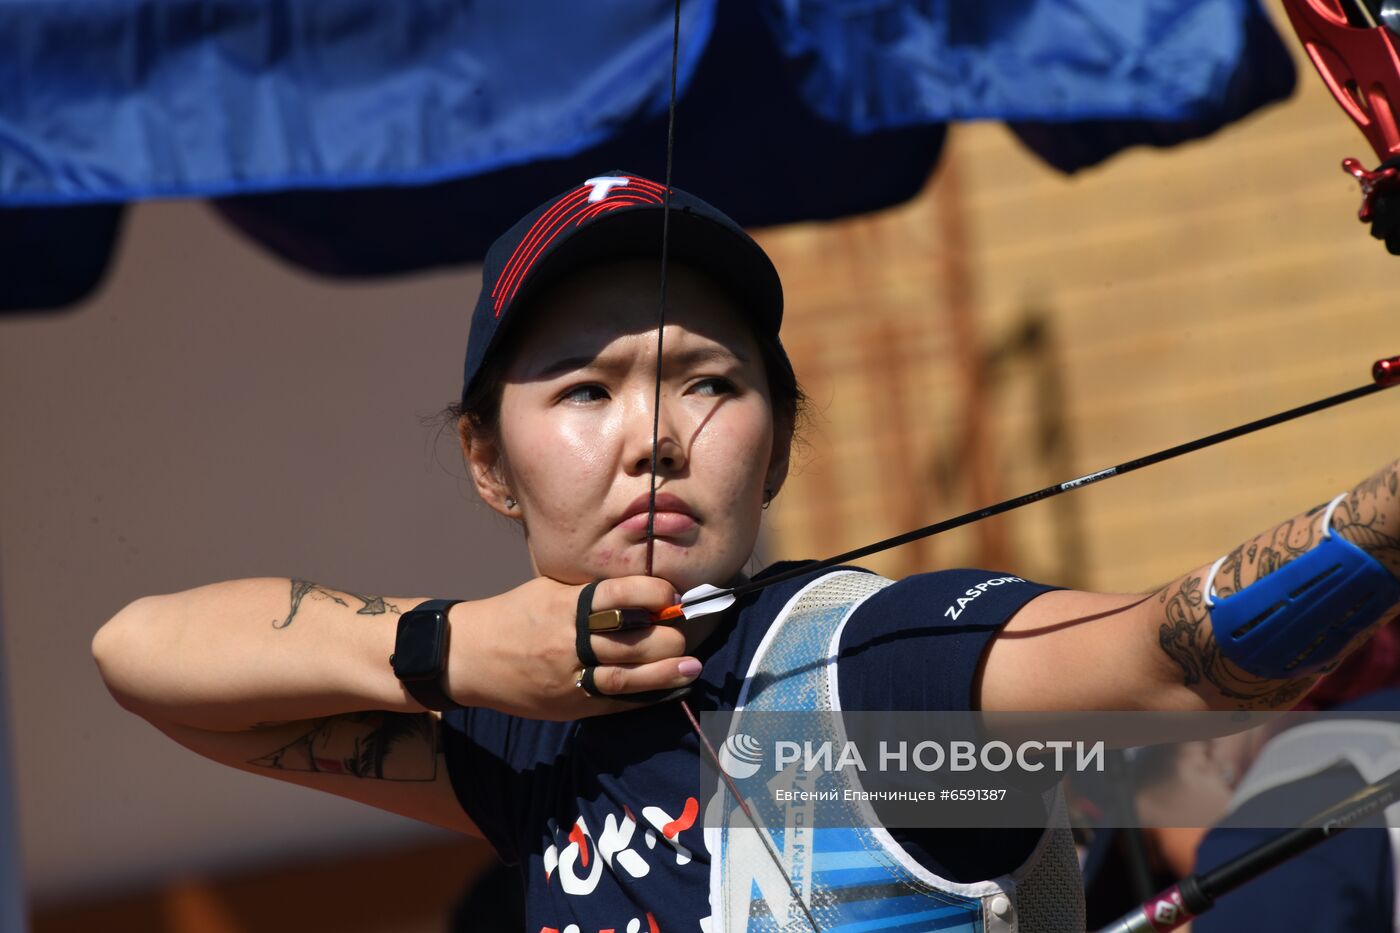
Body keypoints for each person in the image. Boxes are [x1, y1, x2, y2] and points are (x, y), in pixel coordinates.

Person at [92, 171, 1400, 933]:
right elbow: (139, 657)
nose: (652, 436)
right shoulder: (532, 739)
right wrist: (450, 646)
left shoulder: (876, 678)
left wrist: (1384, 520)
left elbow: (1173, 670)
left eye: (708, 383)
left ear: (777, 444)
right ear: (489, 459)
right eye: (584, 391)